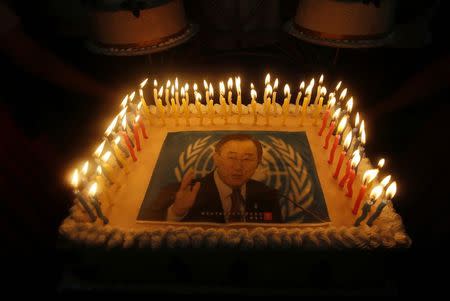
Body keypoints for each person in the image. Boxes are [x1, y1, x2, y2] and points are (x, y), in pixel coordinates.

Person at [147, 134, 283, 223]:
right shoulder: (182, 192)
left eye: (247, 159)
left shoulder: (268, 195)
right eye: (231, 157)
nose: (238, 167)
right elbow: (148, 226)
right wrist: (177, 211)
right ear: (216, 158)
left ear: (258, 163)